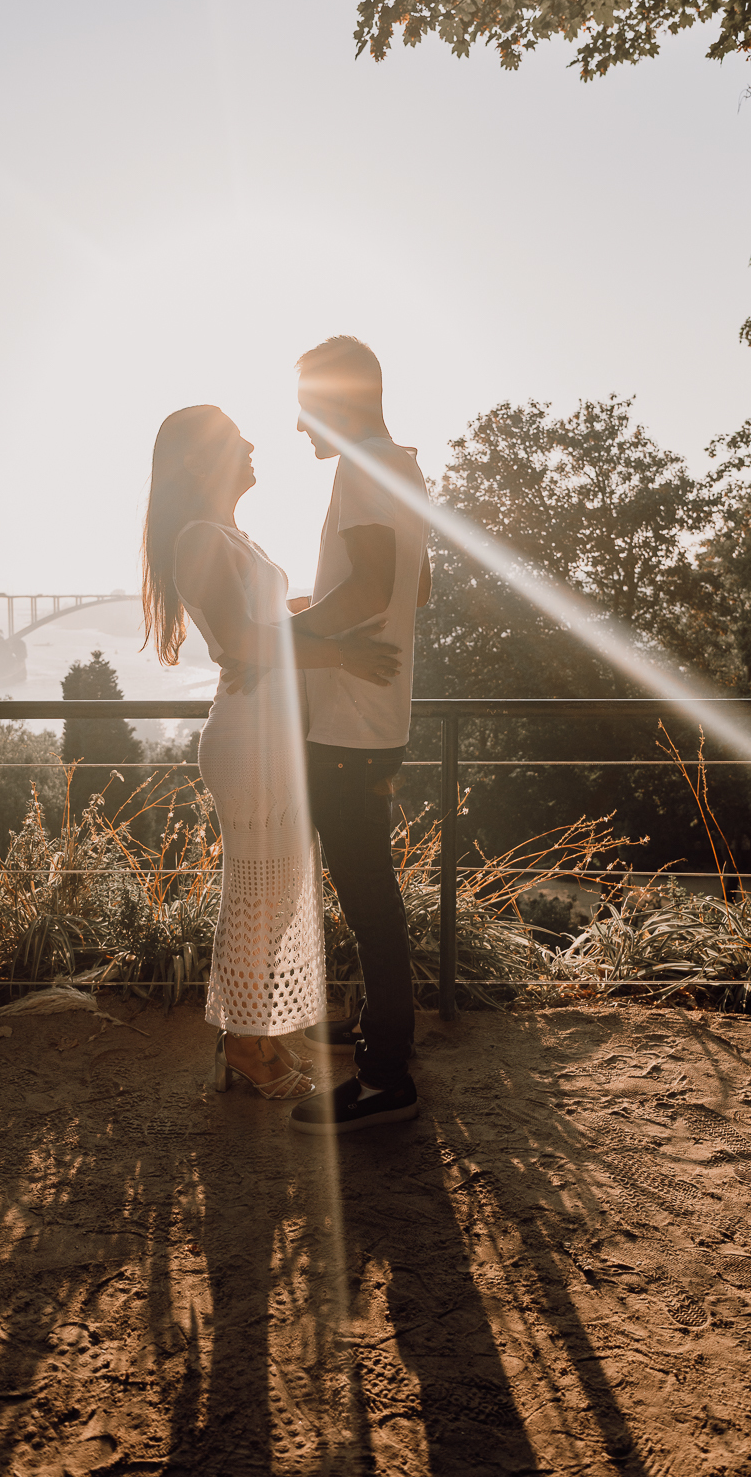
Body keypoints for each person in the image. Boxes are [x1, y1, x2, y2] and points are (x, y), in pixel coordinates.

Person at [141, 405, 400, 1101]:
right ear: (200, 461)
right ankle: (249, 1050)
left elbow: (268, 628)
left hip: (272, 735)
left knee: (274, 897)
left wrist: (342, 610)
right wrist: (337, 647)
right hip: (250, 739)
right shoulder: (199, 537)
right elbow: (243, 639)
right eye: (235, 439)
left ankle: (248, 1044)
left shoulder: (227, 535)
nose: (254, 443)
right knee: (258, 902)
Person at [283, 337, 432, 1135]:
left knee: (369, 900)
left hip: (347, 721)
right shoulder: (400, 466)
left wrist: (282, 630)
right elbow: (419, 585)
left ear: (337, 399)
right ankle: (386, 1040)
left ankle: (383, 1078)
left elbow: (372, 587)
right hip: (381, 715)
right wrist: (325, 606)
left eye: (305, 405)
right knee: (373, 895)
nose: (299, 426)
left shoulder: (363, 466)